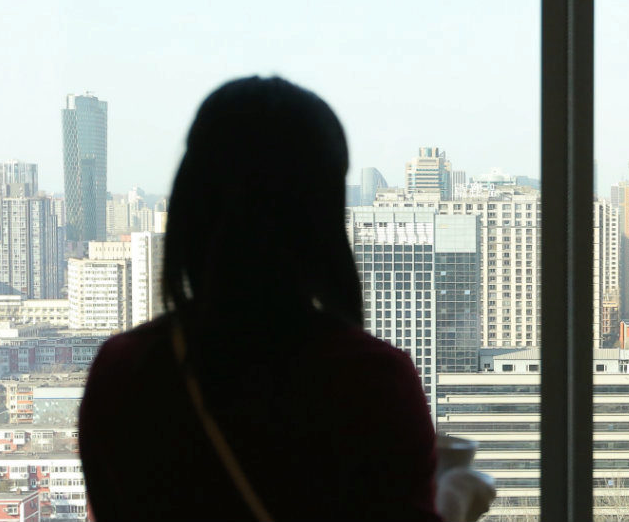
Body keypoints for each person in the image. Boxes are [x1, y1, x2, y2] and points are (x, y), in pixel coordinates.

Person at [79, 77, 489, 521]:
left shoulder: (124, 373)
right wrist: (454, 497)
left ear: (191, 205)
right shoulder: (368, 382)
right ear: (323, 220)